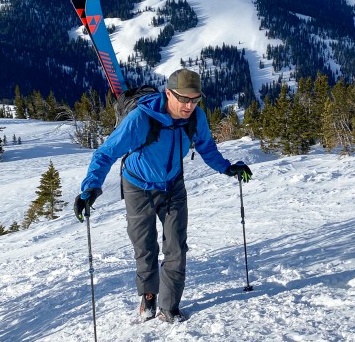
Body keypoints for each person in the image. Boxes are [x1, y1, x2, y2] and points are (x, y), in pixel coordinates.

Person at [74, 68, 252, 323]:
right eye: (184, 99)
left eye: (195, 99)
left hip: (173, 186)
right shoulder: (140, 120)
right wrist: (90, 188)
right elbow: (105, 153)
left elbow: (206, 147)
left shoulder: (195, 118)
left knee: (176, 248)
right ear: (168, 93)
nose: (190, 105)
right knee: (145, 247)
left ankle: (170, 307)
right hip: (138, 187)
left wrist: (226, 167)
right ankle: (148, 296)